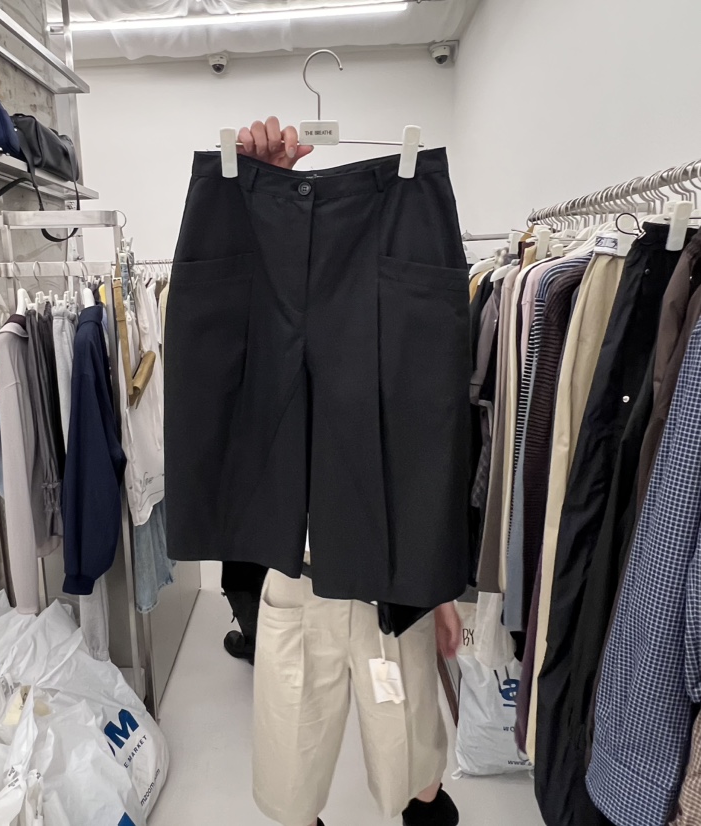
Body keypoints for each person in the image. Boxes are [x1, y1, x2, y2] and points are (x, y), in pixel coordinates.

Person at [233, 118, 464, 826]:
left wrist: (437, 584)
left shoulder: (404, 280)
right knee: (293, 772)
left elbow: (432, 436)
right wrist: (257, 197)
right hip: (299, 569)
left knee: (414, 761)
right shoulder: (266, 297)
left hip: (392, 569)